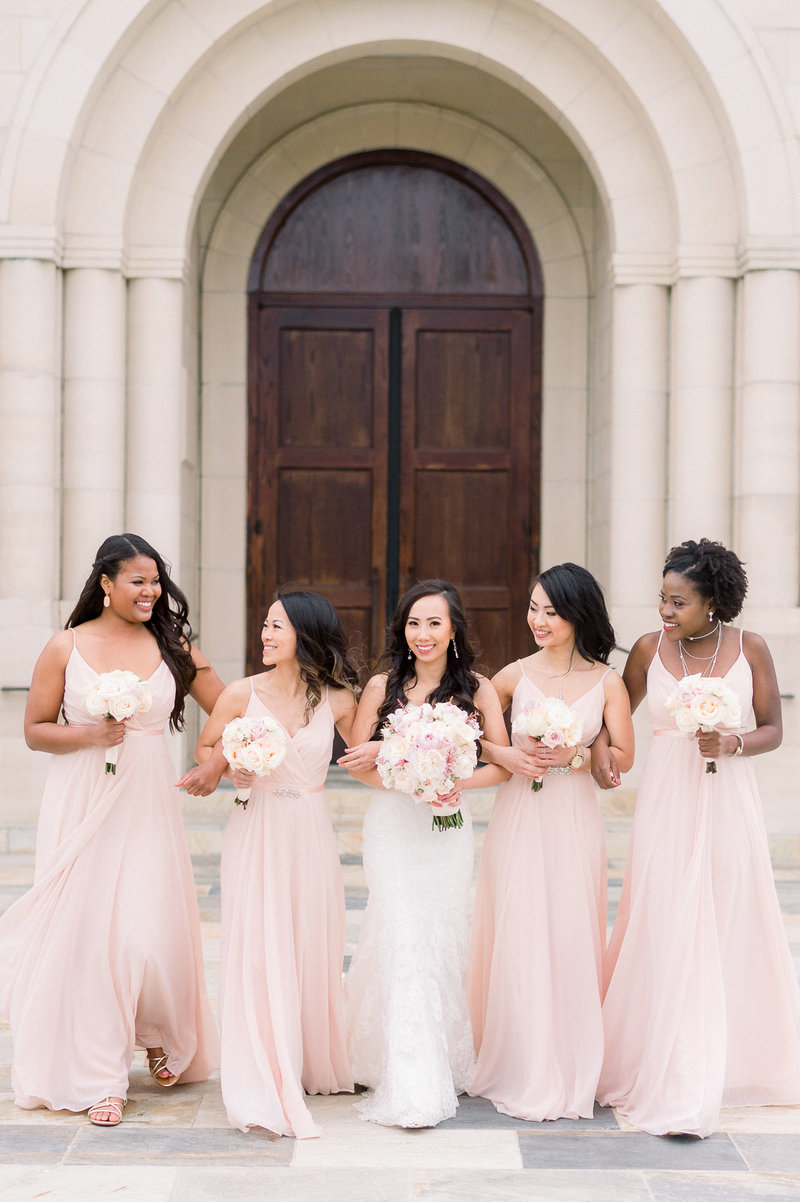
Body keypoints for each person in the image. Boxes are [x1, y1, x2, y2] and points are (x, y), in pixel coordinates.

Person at [0, 533, 224, 1127]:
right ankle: (102, 1072)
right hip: (82, 803)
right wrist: (91, 734)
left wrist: (215, 762)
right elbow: (35, 729)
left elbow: (230, 708)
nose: (151, 591)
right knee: (90, 933)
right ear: (106, 582)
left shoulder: (173, 644)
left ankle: (154, 1029)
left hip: (147, 805)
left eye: (156, 581)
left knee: (143, 932)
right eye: (138, 581)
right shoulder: (64, 646)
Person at [595, 538, 800, 1136]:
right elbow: (615, 714)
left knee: (725, 914)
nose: (665, 610)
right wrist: (599, 751)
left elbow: (773, 730)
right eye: (662, 598)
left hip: (729, 800)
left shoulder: (749, 648)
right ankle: (662, 1056)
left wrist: (731, 741)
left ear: (712, 601)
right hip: (666, 801)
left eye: (678, 601)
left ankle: (729, 1060)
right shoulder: (645, 651)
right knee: (665, 916)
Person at [467, 564, 634, 1121]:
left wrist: (580, 755)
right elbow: (474, 736)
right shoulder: (512, 675)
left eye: (551, 611)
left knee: (567, 927)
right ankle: (515, 1054)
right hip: (519, 814)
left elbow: (625, 758)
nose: (539, 620)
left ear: (577, 614)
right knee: (517, 922)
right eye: (534, 608)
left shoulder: (608, 681)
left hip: (573, 818)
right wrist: (507, 754)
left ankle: (564, 1057)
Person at [342, 579, 509, 1128]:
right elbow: (360, 765)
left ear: (454, 628)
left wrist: (455, 787)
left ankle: (440, 1057)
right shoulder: (381, 686)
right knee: (399, 929)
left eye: (434, 622)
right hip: (392, 828)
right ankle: (403, 1072)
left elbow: (500, 764)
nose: (423, 634)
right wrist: (410, 775)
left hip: (445, 828)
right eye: (414, 623)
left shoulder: (478, 689)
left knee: (438, 933)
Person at [195, 590, 359, 1139]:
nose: (265, 635)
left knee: (310, 940)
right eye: (264, 625)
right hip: (257, 825)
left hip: (310, 830)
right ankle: (262, 1068)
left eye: (277, 627)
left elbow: (363, 756)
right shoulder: (241, 693)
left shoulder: (339, 699)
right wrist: (232, 768)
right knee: (260, 944)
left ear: (306, 634)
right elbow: (206, 751)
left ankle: (307, 1057)